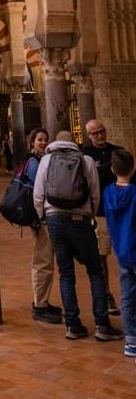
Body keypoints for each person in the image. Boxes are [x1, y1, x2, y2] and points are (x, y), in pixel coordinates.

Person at [33, 130, 123, 341]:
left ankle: (73, 325)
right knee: (95, 270)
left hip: (54, 218)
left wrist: (44, 216)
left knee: (66, 273)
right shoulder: (86, 160)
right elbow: (94, 191)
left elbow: (38, 193)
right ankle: (102, 324)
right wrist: (90, 214)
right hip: (79, 219)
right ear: (74, 142)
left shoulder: (46, 160)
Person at [84, 118, 126, 314]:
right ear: (89, 135)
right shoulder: (86, 155)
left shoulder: (117, 150)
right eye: (95, 133)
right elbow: (92, 179)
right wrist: (110, 168)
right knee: (102, 255)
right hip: (100, 212)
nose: (100, 135)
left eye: (102, 131)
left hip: (122, 212)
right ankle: (106, 294)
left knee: (126, 254)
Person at [21, 129, 62, 324]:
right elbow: (39, 191)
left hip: (46, 216)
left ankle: (43, 301)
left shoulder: (43, 160)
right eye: (39, 140)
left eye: (45, 139)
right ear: (32, 143)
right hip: (42, 217)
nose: (43, 143)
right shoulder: (35, 163)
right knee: (43, 260)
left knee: (45, 259)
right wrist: (40, 217)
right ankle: (40, 305)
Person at [104, 148, 136, 360]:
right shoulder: (134, 193)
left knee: (126, 296)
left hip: (121, 250)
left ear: (112, 169)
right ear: (133, 168)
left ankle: (131, 340)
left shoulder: (108, 193)